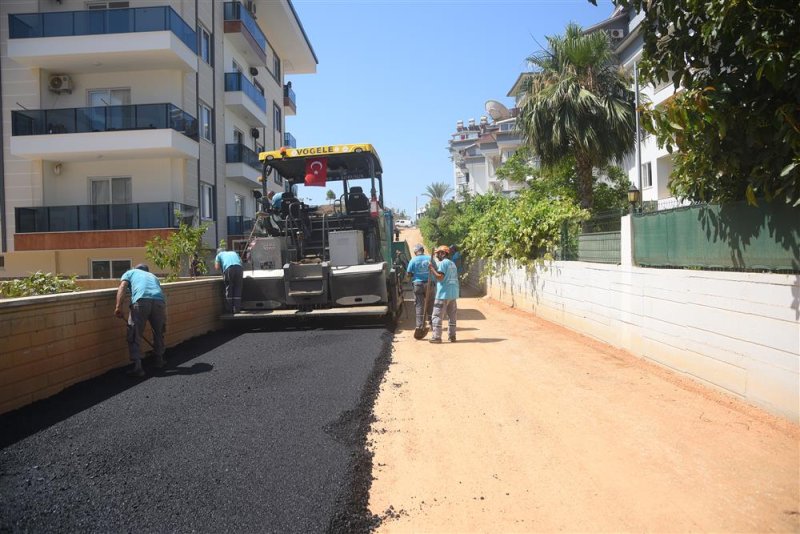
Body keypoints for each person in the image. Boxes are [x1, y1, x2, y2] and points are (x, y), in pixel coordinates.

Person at [114, 264, 166, 378]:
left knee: (134, 333)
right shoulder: (153, 276)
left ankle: (138, 367)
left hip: (141, 301)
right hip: (159, 301)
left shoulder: (130, 272)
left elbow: (122, 286)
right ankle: (159, 360)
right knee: (158, 332)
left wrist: (118, 306)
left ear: (135, 269)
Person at [428, 245, 460, 343]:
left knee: (437, 316)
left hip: (443, 294)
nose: (437, 255)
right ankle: (452, 336)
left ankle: (437, 337)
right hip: (453, 293)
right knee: (452, 317)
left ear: (443, 253)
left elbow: (440, 277)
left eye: (438, 253)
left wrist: (432, 269)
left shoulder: (443, 264)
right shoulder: (452, 264)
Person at [405, 243, 433, 332]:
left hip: (418, 284)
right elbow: (435, 269)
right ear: (423, 251)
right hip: (429, 284)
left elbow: (408, 274)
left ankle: (420, 326)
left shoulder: (413, 260)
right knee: (430, 304)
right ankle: (432, 324)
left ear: (415, 252)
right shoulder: (429, 258)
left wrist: (414, 274)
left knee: (419, 305)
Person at [215, 246, 243, 314]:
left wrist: (223, 267)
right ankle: (237, 309)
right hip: (239, 268)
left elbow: (217, 267)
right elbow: (241, 262)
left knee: (229, 288)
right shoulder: (234, 252)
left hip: (229, 269)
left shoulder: (219, 255)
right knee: (238, 288)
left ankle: (229, 310)